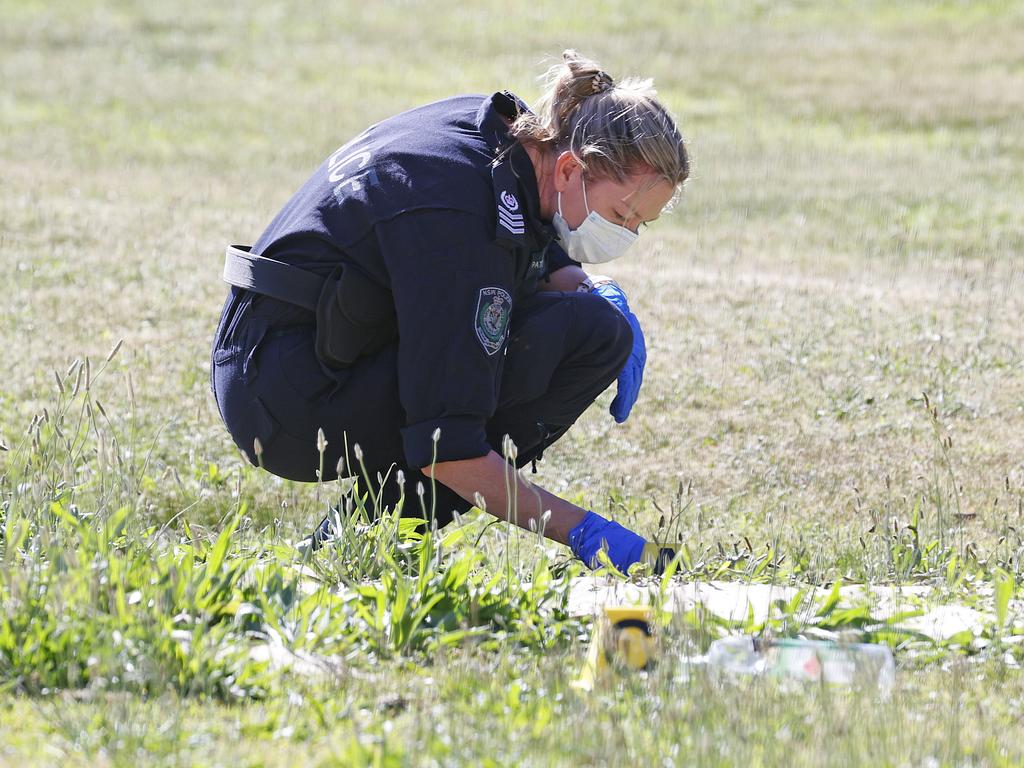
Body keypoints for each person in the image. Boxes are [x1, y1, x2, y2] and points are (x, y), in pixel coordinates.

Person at [211, 50, 688, 573]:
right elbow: (449, 448)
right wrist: (581, 530)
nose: (627, 234)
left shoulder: (508, 140)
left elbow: (521, 232)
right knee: (570, 346)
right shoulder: (462, 219)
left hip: (283, 346)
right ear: (571, 168)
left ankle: (355, 539)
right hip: (284, 397)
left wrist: (588, 288)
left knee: (595, 328)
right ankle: (359, 547)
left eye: (641, 223)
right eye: (622, 214)